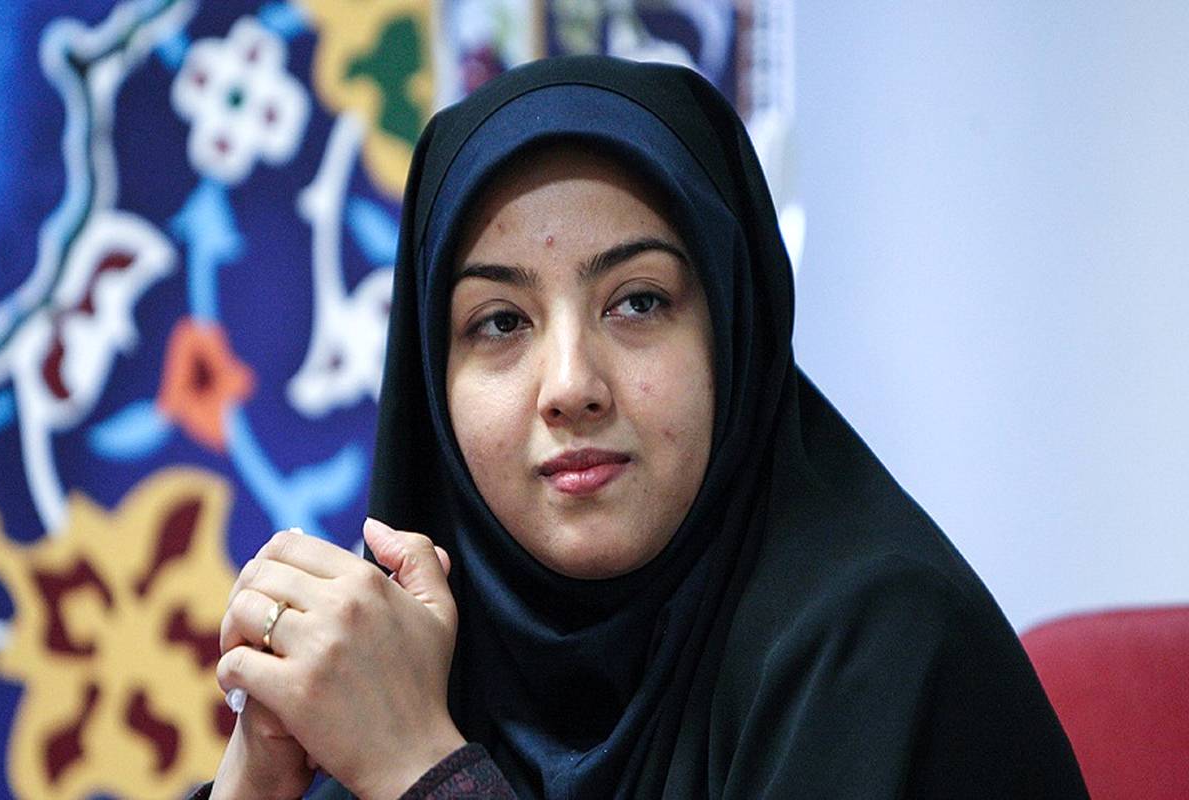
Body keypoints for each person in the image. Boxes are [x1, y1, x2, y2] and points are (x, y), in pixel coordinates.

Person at [202, 56, 1089, 799]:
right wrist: (259, 782)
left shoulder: (880, 653)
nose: (571, 387)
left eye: (637, 302)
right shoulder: (425, 653)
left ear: (732, 334)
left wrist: (419, 769)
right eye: (501, 322)